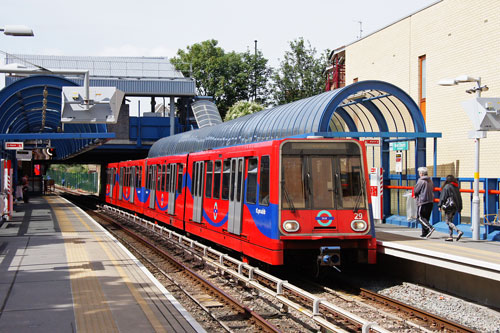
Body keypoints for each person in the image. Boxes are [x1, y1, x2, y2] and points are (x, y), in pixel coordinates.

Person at [439, 175, 464, 241]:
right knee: (451, 221)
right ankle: (450, 236)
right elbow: (459, 198)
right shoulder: (456, 187)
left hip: (449, 206)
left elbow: (443, 197)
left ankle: (458, 231)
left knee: (447, 222)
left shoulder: (447, 187)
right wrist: (460, 208)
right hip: (455, 206)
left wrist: (440, 205)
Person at [414, 167, 435, 238]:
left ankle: (430, 228)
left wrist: (415, 194)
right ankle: (424, 233)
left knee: (419, 217)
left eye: (419, 173)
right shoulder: (430, 181)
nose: (419, 174)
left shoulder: (420, 181)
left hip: (422, 201)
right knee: (426, 217)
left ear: (421, 173)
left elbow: (416, 190)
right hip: (430, 201)